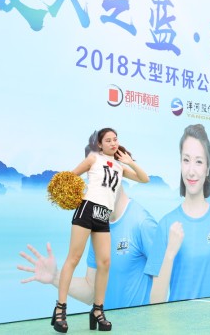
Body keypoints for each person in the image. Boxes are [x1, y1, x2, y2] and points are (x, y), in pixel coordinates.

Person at [48, 127, 150, 333]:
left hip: (104, 215)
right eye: (108, 140)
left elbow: (144, 178)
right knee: (73, 258)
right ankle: (60, 309)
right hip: (86, 210)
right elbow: (68, 178)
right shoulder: (93, 158)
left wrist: (129, 162)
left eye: (115, 139)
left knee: (105, 263)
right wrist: (73, 196)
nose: (113, 143)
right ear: (100, 144)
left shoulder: (120, 168)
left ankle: (97, 310)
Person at [18, 184, 157, 309]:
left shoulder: (143, 223)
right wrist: (55, 277)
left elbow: (164, 283)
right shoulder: (99, 228)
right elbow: (91, 292)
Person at [144, 124, 210, 303]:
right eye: (186, 160)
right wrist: (170, 252)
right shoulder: (166, 224)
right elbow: (155, 301)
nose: (191, 171)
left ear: (207, 169)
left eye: (199, 162)